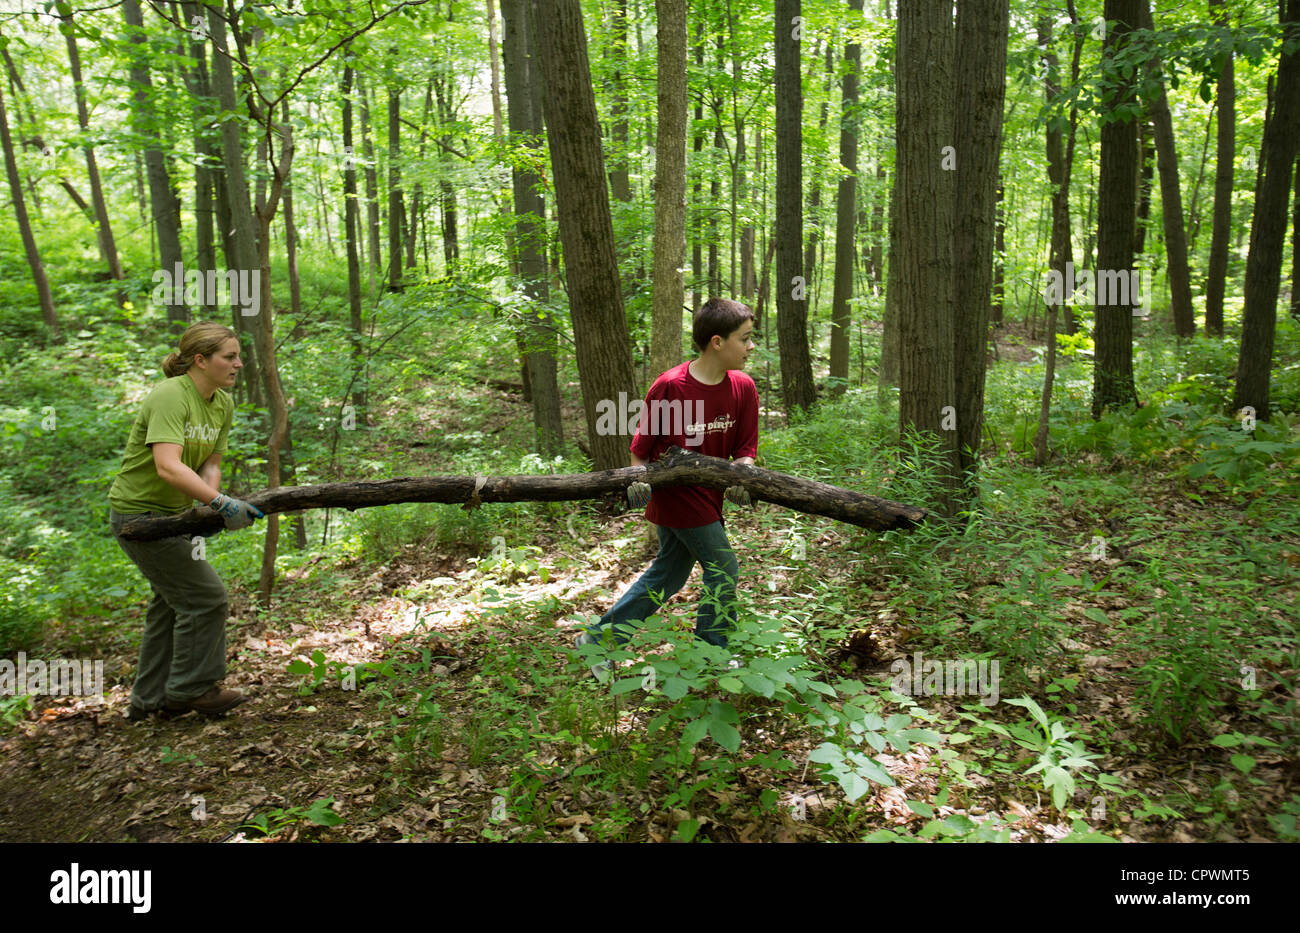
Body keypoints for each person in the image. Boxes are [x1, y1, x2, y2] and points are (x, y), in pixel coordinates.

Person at [577, 298, 758, 672]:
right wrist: (639, 480)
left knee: (668, 575)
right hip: (676, 497)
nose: (751, 346)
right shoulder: (671, 387)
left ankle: (598, 640)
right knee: (724, 567)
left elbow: (745, 448)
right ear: (717, 342)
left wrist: (743, 475)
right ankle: (713, 651)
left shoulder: (744, 388)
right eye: (745, 339)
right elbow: (640, 450)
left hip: (711, 497)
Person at [109, 321, 265, 720]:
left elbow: (210, 464)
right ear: (200, 360)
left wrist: (211, 507)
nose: (238, 364)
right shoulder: (170, 396)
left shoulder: (221, 403)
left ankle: (149, 701)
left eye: (237, 356)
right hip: (139, 518)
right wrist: (224, 504)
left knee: (170, 603)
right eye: (229, 357)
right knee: (205, 597)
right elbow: (167, 466)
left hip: (175, 518)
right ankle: (190, 690)